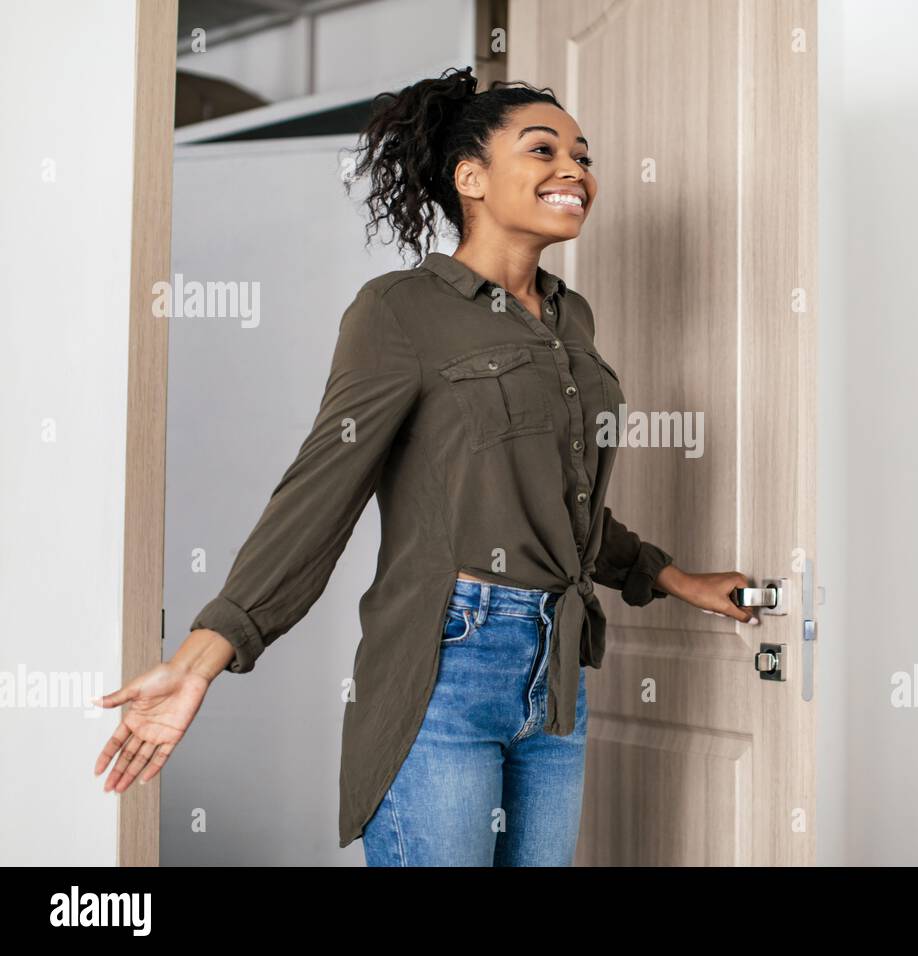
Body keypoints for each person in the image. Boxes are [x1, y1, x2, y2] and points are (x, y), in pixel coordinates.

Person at [92, 65, 755, 866]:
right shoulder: (400, 310)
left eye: (583, 155)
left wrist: (676, 577)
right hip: (448, 666)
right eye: (543, 149)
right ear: (469, 177)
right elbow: (321, 490)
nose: (575, 170)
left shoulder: (571, 318)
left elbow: (556, 504)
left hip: (558, 679)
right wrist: (205, 654)